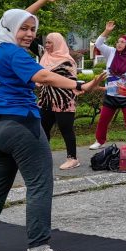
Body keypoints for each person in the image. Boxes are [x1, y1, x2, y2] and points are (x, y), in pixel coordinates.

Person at [0, 0, 105, 251]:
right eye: (24, 30)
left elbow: (16, 20)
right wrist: (80, 86)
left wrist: (42, 1)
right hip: (20, 126)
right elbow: (42, 75)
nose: (29, 33)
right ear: (12, 30)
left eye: (32, 29)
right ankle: (38, 250)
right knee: (40, 184)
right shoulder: (15, 54)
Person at [90, 21, 126, 152]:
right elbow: (98, 44)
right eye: (118, 41)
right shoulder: (111, 52)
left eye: (122, 42)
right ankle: (99, 141)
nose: (119, 44)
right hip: (111, 94)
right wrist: (106, 31)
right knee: (103, 119)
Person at [37, 32, 80, 170]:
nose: (47, 45)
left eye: (50, 42)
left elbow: (71, 82)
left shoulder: (67, 61)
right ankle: (42, 157)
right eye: (46, 42)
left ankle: (73, 159)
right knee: (43, 129)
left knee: (65, 129)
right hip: (46, 100)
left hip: (63, 100)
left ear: (57, 43)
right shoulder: (45, 56)